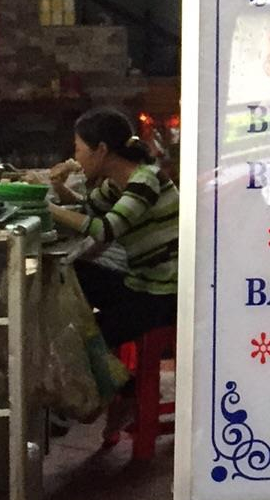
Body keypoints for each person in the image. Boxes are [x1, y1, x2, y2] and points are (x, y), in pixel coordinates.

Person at [48, 107, 179, 349]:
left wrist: (49, 209)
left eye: (78, 149)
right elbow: (88, 209)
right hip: (140, 284)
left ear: (100, 150)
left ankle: (105, 367)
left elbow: (105, 230)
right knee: (75, 270)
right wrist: (59, 188)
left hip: (163, 294)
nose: (76, 158)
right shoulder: (116, 184)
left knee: (84, 341)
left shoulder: (146, 180)